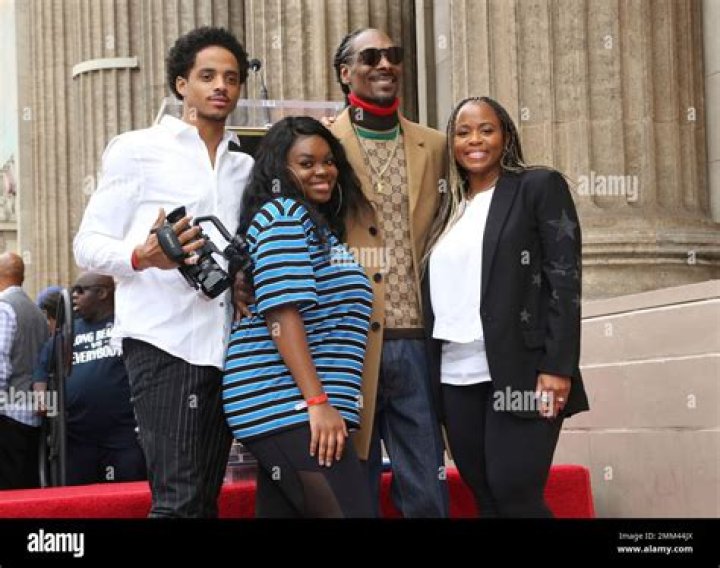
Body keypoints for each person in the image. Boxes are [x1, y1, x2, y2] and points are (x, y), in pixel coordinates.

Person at [73, 26, 254, 517]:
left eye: (231, 77)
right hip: (162, 341)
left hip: (227, 348)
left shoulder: (244, 166)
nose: (221, 86)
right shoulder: (137, 149)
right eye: (207, 76)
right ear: (181, 84)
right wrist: (143, 255)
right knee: (177, 501)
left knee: (203, 500)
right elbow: (87, 245)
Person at [421, 96, 590, 517]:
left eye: (486, 130)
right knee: (485, 495)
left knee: (515, 492)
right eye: (463, 132)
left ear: (506, 136)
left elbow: (564, 279)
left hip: (522, 370)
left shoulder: (538, 186)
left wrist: (558, 366)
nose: (474, 140)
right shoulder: (447, 208)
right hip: (455, 375)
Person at [223, 116, 375, 518]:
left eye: (329, 161)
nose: (322, 171)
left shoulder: (310, 223)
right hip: (285, 402)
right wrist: (318, 402)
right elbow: (283, 313)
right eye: (306, 163)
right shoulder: (285, 214)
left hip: (291, 405)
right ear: (280, 170)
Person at [329, 28, 448, 517]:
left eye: (393, 55)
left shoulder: (436, 146)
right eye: (371, 56)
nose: (384, 64)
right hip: (347, 341)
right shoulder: (321, 144)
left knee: (426, 490)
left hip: (417, 338)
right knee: (353, 493)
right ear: (346, 73)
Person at [33, 273, 146, 486]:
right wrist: (41, 397)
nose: (74, 296)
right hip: (76, 437)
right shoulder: (68, 331)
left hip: (122, 435)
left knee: (124, 495)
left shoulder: (126, 326)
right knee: (79, 497)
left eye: (80, 290)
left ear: (102, 293)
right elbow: (42, 368)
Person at [0, 252, 50, 489]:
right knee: (27, 488)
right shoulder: (37, 312)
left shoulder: (4, 308)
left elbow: (1, 366)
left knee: (8, 493)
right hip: (33, 414)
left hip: (8, 414)